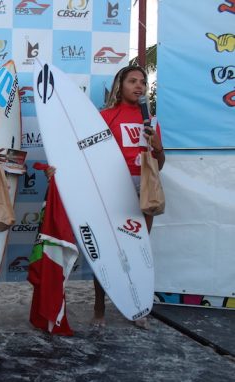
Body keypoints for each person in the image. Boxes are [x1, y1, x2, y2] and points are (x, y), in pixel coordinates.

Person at [92, 65, 165, 328]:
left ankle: (137, 305)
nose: (139, 86)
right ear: (119, 85)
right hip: (113, 189)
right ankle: (99, 307)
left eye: (143, 82)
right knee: (107, 250)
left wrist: (157, 148)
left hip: (143, 190)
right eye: (133, 81)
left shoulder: (151, 120)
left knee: (139, 250)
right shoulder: (106, 116)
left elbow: (161, 164)